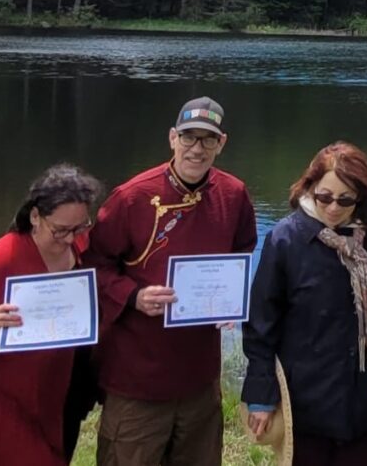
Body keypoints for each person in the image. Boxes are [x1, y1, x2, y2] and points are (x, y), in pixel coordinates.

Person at [84, 96, 258, 466]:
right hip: (137, 376)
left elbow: (242, 252)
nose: (197, 149)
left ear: (221, 143)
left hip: (199, 377)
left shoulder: (234, 195)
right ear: (172, 138)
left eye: (207, 140)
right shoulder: (132, 197)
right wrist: (134, 296)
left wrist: (230, 299)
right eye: (188, 137)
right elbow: (93, 266)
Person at [242, 142, 367, 466]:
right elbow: (260, 325)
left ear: (360, 198)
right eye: (324, 197)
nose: (333, 208)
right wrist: (260, 396)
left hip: (360, 404)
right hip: (305, 405)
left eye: (345, 200)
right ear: (310, 187)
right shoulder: (285, 240)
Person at [0, 163, 104, 466]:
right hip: (4, 403)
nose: (70, 239)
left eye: (80, 227)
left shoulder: (82, 248)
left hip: (59, 397)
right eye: (60, 230)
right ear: (35, 216)